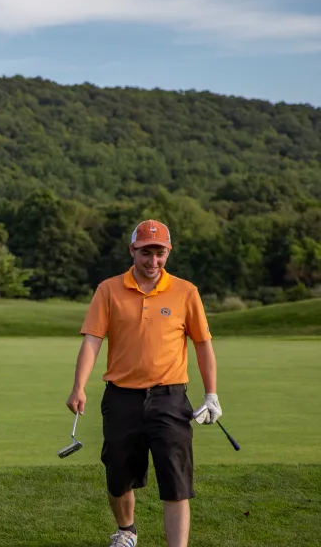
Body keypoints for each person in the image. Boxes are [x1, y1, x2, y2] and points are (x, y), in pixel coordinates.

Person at [66, 219, 222, 547]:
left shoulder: (186, 292)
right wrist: (79, 386)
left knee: (176, 481)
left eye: (160, 253)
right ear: (132, 250)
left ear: (169, 252)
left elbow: (203, 344)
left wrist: (211, 395)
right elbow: (93, 340)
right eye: (146, 253)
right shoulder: (108, 289)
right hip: (122, 398)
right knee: (118, 477)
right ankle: (126, 531)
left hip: (170, 397)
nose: (153, 261)